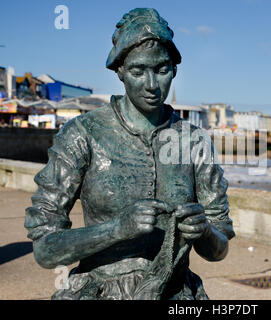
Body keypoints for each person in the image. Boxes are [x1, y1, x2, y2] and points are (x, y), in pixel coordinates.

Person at [24, 8, 234, 300]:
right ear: (120, 72)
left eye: (161, 70)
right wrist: (116, 229)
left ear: (174, 69)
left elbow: (218, 250)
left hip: (174, 293)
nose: (151, 85)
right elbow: (45, 251)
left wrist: (205, 232)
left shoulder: (193, 140)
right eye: (138, 71)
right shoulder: (82, 133)